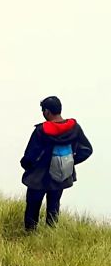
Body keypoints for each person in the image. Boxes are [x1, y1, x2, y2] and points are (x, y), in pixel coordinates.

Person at [20, 96, 93, 231]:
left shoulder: (41, 131)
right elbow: (87, 150)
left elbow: (29, 156)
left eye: (43, 111)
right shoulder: (74, 128)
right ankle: (51, 235)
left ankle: (30, 236)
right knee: (54, 207)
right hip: (62, 174)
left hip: (39, 177)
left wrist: (26, 166)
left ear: (47, 111)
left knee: (32, 207)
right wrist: (69, 162)